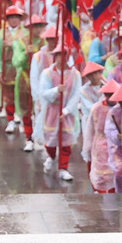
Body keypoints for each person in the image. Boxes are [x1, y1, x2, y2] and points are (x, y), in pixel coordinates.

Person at [37, 46, 82, 182]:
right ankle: (51, 156)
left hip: (67, 113)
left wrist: (67, 110)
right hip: (52, 111)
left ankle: (63, 167)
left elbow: (76, 94)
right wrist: (56, 90)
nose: (61, 58)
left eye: (64, 55)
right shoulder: (47, 73)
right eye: (58, 55)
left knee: (66, 140)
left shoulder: (75, 74)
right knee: (50, 139)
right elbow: (43, 92)